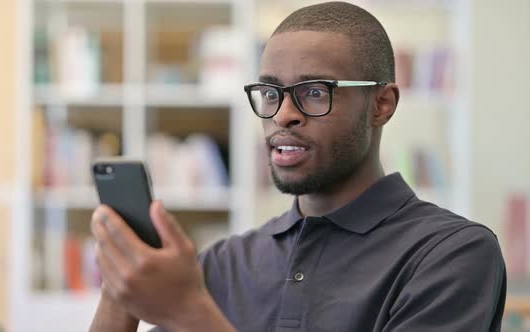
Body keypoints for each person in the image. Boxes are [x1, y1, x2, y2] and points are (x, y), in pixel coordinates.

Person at [89, 2, 506, 331]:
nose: (283, 114)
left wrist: (190, 312)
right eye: (270, 92)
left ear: (381, 104)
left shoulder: (452, 255)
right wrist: (119, 288)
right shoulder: (224, 263)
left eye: (313, 91)